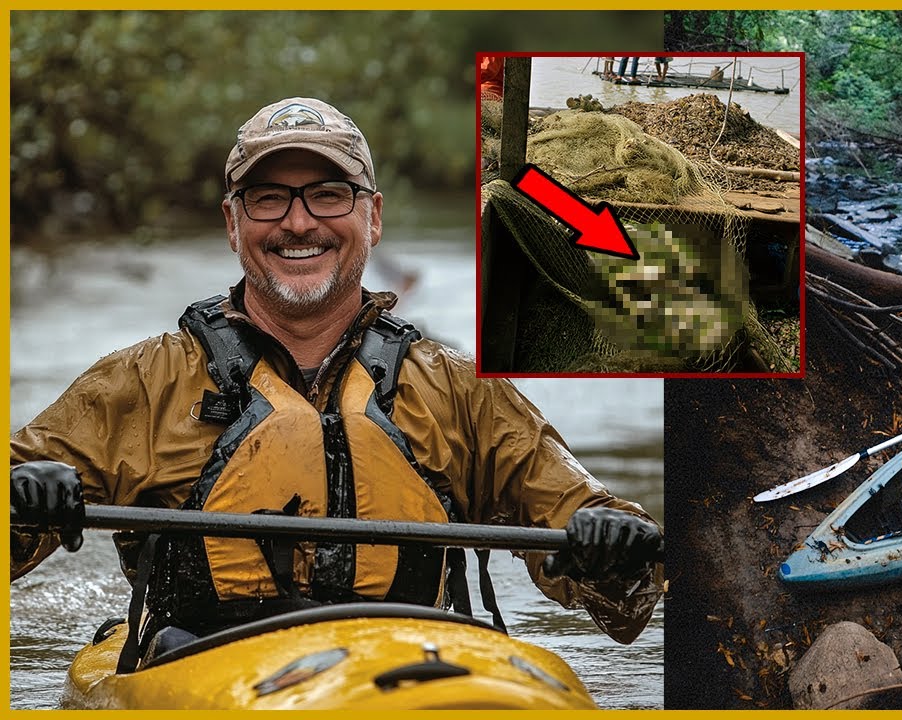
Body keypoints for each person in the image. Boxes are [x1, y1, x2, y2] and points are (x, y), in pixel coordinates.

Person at [9, 97, 663, 662]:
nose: (299, 222)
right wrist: (26, 499)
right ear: (233, 223)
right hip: (201, 662)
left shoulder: (461, 392)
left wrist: (613, 544)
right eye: (269, 198)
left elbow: (624, 599)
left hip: (409, 668)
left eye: (328, 194)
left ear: (373, 217)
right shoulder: (141, 383)